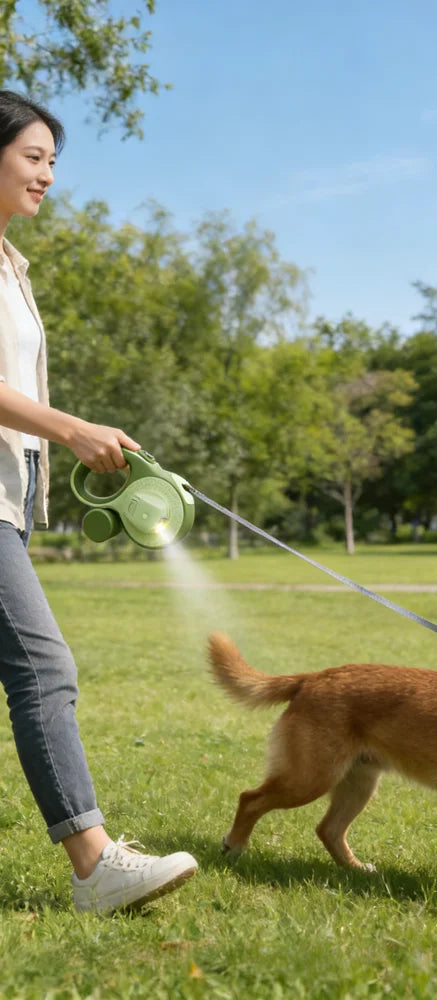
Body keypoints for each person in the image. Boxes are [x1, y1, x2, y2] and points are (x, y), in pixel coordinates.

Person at [0, 90, 198, 913]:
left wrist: (73, 450)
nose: (49, 176)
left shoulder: (12, 262)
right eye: (33, 157)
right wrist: (72, 426)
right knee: (43, 665)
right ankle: (93, 864)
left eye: (53, 162)